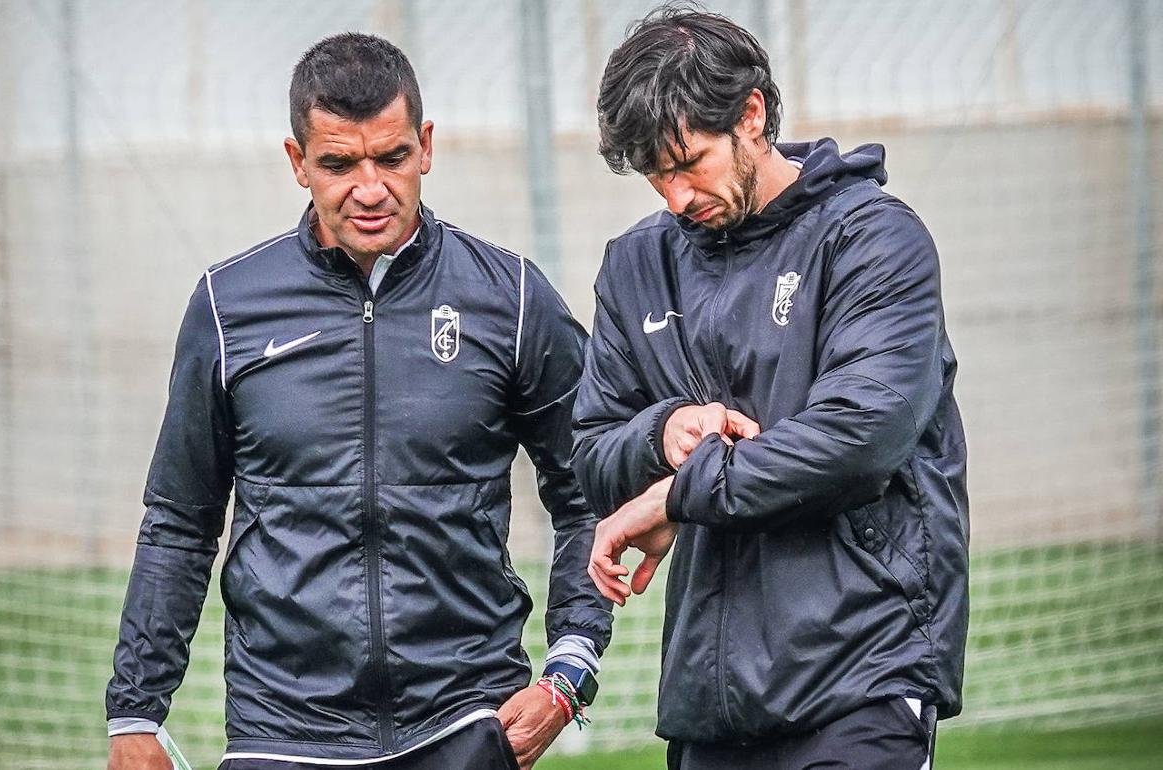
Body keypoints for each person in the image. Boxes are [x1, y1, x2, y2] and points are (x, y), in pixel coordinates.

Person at [105, 33, 610, 770]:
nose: (370, 188)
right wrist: (135, 711)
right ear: (297, 162)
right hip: (282, 729)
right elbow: (180, 522)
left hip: (465, 719)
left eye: (392, 158)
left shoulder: (514, 298)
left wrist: (569, 668)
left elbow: (591, 487)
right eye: (339, 163)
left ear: (426, 146)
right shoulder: (228, 304)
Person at [573, 7, 969, 770]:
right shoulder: (635, 266)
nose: (675, 196)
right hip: (708, 699)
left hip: (864, 678)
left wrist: (677, 493)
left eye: (688, 162)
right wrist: (663, 434)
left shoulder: (874, 240)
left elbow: (860, 438)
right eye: (655, 175)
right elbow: (591, 454)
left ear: (751, 115)